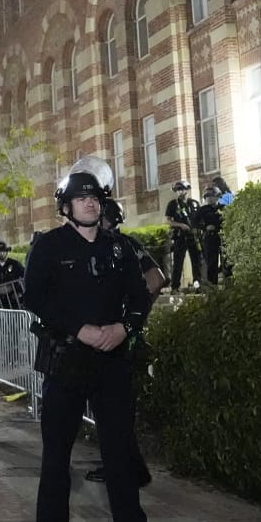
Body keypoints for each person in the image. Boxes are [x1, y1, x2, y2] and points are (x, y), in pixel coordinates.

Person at [23, 165, 171, 522]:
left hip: (112, 362)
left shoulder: (119, 248)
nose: (90, 203)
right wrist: (80, 329)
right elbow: (34, 298)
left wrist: (123, 328)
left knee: (120, 458)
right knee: (57, 458)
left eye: (95, 198)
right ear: (66, 207)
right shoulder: (49, 246)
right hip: (67, 362)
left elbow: (139, 298)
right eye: (81, 198)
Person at [84, 198, 158, 488]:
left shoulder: (121, 246)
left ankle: (126, 469)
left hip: (121, 339)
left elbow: (156, 279)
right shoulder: (116, 245)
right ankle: (129, 467)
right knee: (113, 409)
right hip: (116, 335)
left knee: (114, 409)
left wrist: (131, 314)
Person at [165, 179, 202, 293]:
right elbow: (168, 221)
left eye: (181, 189)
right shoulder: (173, 204)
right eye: (177, 190)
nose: (179, 192)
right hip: (180, 237)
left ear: (187, 190)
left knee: (196, 263)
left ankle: (198, 286)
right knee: (178, 263)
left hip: (193, 237)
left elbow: (200, 220)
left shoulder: (194, 203)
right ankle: (175, 287)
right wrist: (180, 225)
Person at [196, 188, 224, 286]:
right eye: (206, 197)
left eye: (211, 196)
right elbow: (195, 223)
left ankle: (229, 283)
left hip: (223, 237)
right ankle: (213, 285)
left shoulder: (223, 208)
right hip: (210, 237)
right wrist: (205, 227)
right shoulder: (203, 210)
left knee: (226, 261)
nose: (208, 198)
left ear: (217, 197)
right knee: (211, 262)